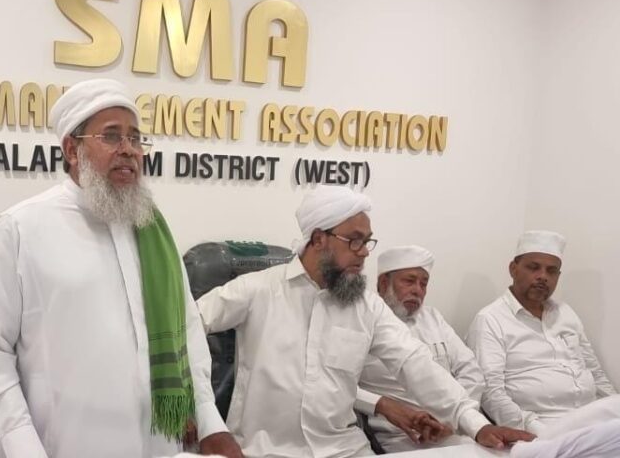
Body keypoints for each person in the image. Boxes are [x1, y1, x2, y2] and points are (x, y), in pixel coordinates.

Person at [0, 79, 241, 458]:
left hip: (159, 444)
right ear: (71, 149)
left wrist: (210, 422)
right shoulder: (21, 228)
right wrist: (20, 441)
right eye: (111, 136)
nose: (129, 150)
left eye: (135, 138)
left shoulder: (152, 230)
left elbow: (188, 331)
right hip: (62, 445)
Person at [196, 185, 533, 458]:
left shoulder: (367, 306)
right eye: (354, 240)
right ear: (318, 239)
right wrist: (206, 419)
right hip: (266, 451)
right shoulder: (258, 290)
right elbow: (183, 329)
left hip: (345, 450)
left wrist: (475, 423)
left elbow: (414, 362)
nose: (365, 252)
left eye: (367, 241)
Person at [467, 230, 616, 435]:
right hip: (543, 427)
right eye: (533, 267)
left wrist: (614, 409)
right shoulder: (490, 319)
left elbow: (596, 373)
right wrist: (540, 433)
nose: (543, 277)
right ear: (513, 269)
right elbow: (491, 394)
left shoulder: (565, 313)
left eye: (551, 271)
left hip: (592, 420)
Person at [355, 245, 485, 452]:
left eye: (424, 284)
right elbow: (342, 385)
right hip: (401, 436)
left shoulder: (433, 318)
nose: (418, 290)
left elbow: (470, 370)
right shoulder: (362, 321)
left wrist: (454, 419)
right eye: (409, 281)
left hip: (454, 430)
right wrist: (381, 404)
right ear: (383, 283)